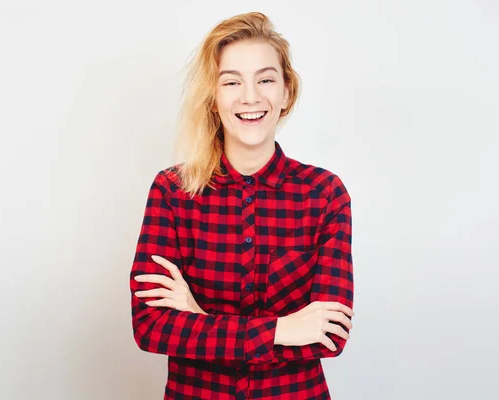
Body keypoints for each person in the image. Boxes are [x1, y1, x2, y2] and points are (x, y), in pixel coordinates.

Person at [129, 11, 354, 400]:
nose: (250, 96)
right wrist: (282, 330)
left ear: (287, 92)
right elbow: (150, 327)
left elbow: (328, 337)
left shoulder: (324, 194)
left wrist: (199, 318)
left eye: (266, 79)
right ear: (213, 99)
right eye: (231, 82)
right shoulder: (172, 191)